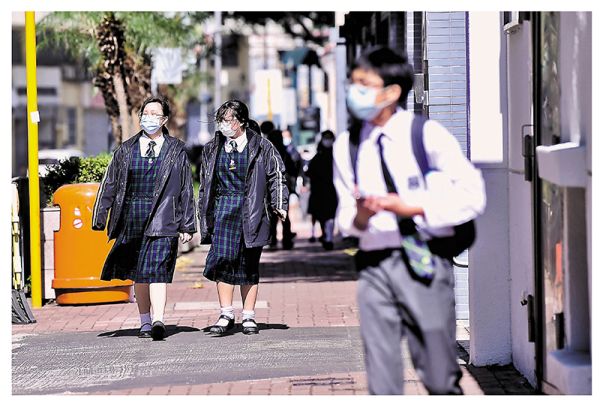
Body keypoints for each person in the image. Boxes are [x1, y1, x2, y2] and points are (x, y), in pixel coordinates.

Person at [333, 46, 486, 394]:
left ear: (391, 92)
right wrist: (361, 214)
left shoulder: (425, 135)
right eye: (352, 82)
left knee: (438, 373)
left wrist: (411, 207)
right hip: (373, 265)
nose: (354, 91)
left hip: (425, 258)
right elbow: (345, 219)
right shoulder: (349, 145)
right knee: (382, 374)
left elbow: (472, 194)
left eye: (363, 83)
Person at [92, 95, 196, 341]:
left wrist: (188, 224)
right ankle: (145, 321)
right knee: (140, 273)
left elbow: (185, 188)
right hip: (133, 216)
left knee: (157, 270)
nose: (149, 118)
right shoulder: (125, 150)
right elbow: (111, 183)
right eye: (145, 113)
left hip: (164, 217)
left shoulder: (176, 151)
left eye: (154, 114)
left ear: (164, 120)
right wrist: (100, 215)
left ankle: (159, 319)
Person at [197, 100, 288, 335]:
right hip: (222, 209)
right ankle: (225, 313)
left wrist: (279, 203)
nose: (224, 125)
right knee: (222, 261)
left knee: (248, 264)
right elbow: (205, 185)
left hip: (251, 209)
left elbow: (276, 175)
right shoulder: (212, 148)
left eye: (228, 120)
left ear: (242, 122)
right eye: (221, 120)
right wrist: (203, 213)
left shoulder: (262, 146)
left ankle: (248, 316)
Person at [306, 130, 338, 250]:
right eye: (326, 138)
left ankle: (328, 237)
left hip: (330, 190)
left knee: (330, 214)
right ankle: (326, 236)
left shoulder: (336, 155)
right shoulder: (318, 155)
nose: (328, 140)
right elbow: (310, 171)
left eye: (330, 138)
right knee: (322, 215)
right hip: (319, 191)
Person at [266, 129, 297, 249]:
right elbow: (293, 169)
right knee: (284, 214)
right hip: (284, 186)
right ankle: (287, 241)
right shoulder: (285, 152)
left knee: (272, 215)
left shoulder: (268, 152)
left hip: (271, 187)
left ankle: (273, 240)